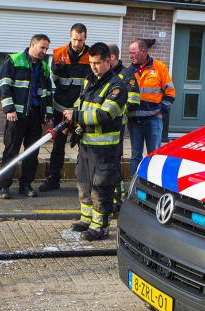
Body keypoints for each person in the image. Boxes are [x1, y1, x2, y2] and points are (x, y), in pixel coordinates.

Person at [65, 42, 128, 241]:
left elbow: (104, 114)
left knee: (101, 187)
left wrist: (76, 115)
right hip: (86, 145)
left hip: (104, 149)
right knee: (84, 183)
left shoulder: (117, 86)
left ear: (109, 61)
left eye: (97, 63)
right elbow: (80, 102)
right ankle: (86, 219)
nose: (93, 66)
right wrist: (72, 115)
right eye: (91, 62)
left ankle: (100, 226)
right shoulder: (90, 80)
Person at [0, 34, 53, 199]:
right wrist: (9, 109)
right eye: (42, 47)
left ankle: (25, 185)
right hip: (16, 115)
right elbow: (3, 84)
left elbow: (47, 92)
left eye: (47, 48)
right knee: (11, 151)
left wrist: (48, 113)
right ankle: (3, 186)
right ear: (32, 45)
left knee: (32, 153)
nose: (44, 51)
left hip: (36, 115)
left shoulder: (44, 67)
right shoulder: (14, 60)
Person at [39, 24, 91, 192]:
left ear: (85, 38)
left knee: (86, 147)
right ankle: (53, 179)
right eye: (74, 39)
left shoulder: (91, 55)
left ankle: (86, 182)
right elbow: (53, 79)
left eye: (80, 40)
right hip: (60, 108)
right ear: (70, 36)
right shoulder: (58, 53)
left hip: (81, 111)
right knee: (58, 145)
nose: (77, 43)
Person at [127, 39, 175, 174]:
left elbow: (170, 93)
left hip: (153, 120)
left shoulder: (160, 68)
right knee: (135, 156)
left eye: (133, 53)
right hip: (134, 121)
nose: (130, 56)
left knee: (153, 155)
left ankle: (151, 185)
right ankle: (135, 186)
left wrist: (161, 110)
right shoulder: (128, 71)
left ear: (143, 52)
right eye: (129, 53)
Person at [107, 42, 140, 214]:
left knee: (114, 161)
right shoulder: (105, 75)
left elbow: (134, 100)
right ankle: (108, 197)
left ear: (112, 57)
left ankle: (117, 199)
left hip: (116, 127)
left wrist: (115, 113)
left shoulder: (127, 75)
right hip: (102, 127)